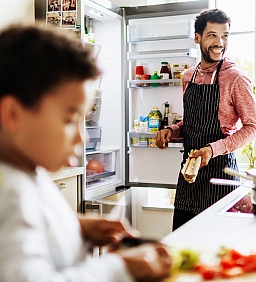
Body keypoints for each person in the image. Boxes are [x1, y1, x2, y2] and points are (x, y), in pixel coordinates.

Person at [0, 23, 172, 282]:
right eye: (70, 120)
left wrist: (77, 227)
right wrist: (120, 267)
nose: (82, 137)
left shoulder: (28, 171)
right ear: (13, 114)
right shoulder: (8, 191)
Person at [156, 9, 256, 231]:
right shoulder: (188, 76)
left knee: (217, 249)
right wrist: (172, 130)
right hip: (189, 175)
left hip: (220, 178)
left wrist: (213, 150)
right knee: (181, 243)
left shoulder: (236, 78)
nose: (220, 42)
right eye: (212, 35)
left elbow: (253, 127)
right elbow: (191, 122)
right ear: (197, 38)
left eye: (225, 36)